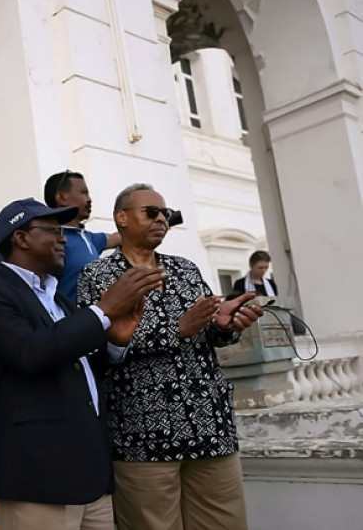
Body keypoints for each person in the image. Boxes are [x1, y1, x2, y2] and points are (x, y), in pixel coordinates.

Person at [0, 198, 164, 530]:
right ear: (22, 238)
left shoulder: (59, 300)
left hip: (89, 475)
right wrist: (102, 311)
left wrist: (116, 340)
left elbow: (83, 370)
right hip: (38, 476)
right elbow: (28, 352)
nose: (63, 239)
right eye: (54, 231)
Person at [77, 184, 264, 530]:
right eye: (151, 212)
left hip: (210, 426)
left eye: (166, 213)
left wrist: (225, 324)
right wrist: (176, 329)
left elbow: (209, 332)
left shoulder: (186, 269)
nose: (161, 219)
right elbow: (94, 352)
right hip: (144, 434)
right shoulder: (98, 276)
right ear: (122, 218)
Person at [43, 170, 121, 301]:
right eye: (83, 193)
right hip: (70, 319)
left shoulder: (89, 238)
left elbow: (120, 238)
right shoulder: (51, 240)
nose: (89, 199)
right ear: (61, 197)